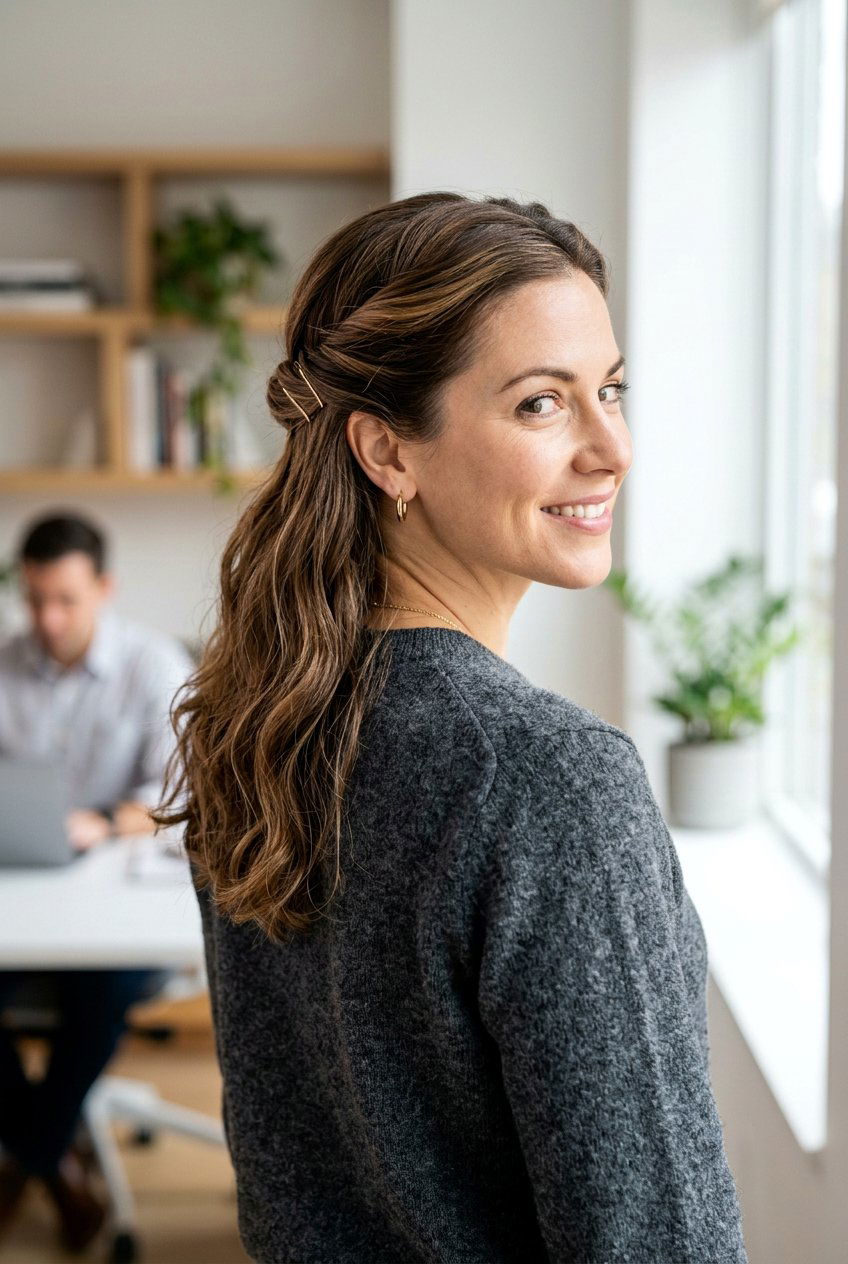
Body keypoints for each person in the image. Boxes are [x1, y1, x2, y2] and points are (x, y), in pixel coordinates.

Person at [155, 192, 749, 1262]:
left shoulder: (260, 728)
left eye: (610, 390)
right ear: (388, 452)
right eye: (539, 405)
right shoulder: (545, 779)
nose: (610, 446)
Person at [0, 511, 194, 1252]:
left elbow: (183, 798)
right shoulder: (6, 663)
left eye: (66, 601)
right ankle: (51, 1153)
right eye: (36, 599)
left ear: (104, 589)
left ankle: (30, 1155)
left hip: (115, 907)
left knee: (101, 991)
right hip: (22, 898)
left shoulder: (155, 666)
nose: (48, 619)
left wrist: (105, 823)